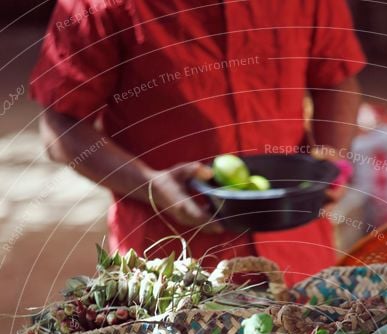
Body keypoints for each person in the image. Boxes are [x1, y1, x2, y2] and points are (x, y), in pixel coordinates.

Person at [30, 0, 365, 284]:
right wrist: (150, 184)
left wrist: (330, 159)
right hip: (170, 264)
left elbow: (335, 78)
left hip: (296, 248)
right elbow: (61, 126)